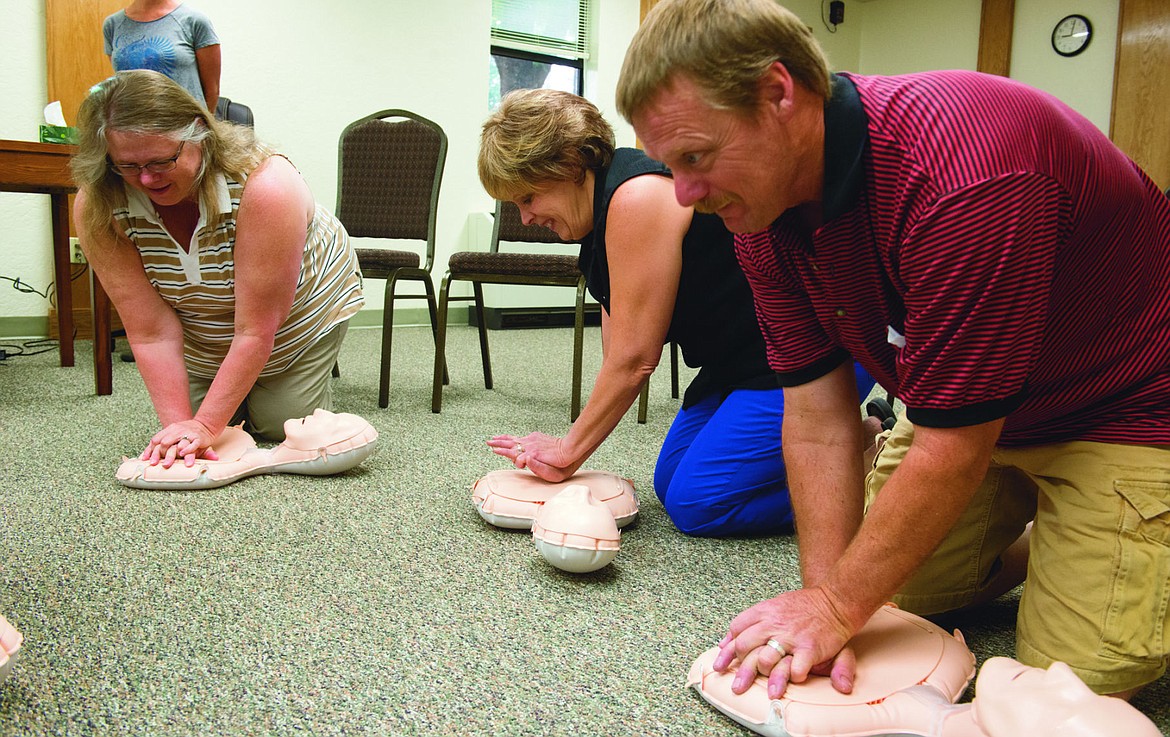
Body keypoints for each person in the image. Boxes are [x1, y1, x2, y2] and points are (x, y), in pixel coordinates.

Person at [616, 0, 1170, 705]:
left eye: (695, 156)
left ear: (778, 93)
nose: (686, 194)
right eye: (671, 166)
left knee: (1060, 695)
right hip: (967, 410)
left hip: (1119, 409)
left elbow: (952, 448)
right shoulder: (756, 211)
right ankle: (1036, 536)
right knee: (888, 594)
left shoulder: (966, 175)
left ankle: (1125, 527)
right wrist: (830, 602)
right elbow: (818, 418)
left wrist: (840, 606)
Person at [479, 89, 876, 537]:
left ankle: (870, 476)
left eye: (528, 197)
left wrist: (568, 450)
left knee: (700, 504)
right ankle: (855, 439)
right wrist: (570, 447)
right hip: (738, 362)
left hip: (813, 349)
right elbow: (620, 358)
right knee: (669, 483)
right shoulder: (596, 224)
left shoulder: (636, 196)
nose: (526, 218)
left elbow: (635, 361)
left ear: (570, 167)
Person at [72, 70, 364, 469]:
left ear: (198, 132)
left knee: (279, 421)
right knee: (199, 423)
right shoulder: (98, 204)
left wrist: (207, 424)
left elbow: (256, 328)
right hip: (202, 316)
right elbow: (151, 331)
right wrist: (186, 432)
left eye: (162, 160)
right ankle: (235, 391)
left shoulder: (267, 185)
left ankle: (280, 386)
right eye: (127, 165)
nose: (145, 178)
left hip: (299, 308)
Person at [104, 0, 221, 114]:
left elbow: (212, 91)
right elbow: (121, 79)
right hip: (133, 124)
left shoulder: (194, 20)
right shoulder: (113, 25)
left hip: (185, 126)